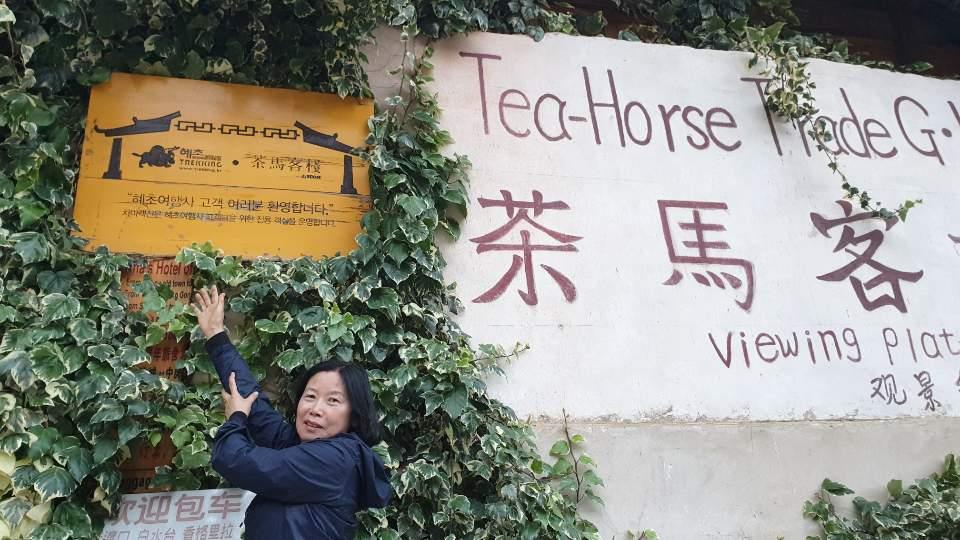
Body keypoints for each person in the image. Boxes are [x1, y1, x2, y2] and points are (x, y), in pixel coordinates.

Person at [192, 285, 392, 539]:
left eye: (333, 400)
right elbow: (252, 401)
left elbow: (236, 461)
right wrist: (216, 336)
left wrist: (236, 418)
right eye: (310, 396)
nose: (315, 409)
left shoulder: (334, 460)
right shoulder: (299, 445)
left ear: (354, 415)